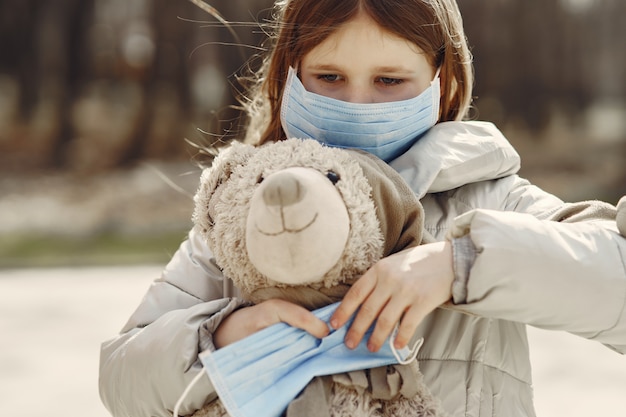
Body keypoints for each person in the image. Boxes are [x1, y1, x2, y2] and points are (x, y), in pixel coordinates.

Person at [99, 1, 626, 416]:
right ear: (290, 77)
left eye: (389, 81)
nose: (357, 105)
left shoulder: (488, 197)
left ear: (441, 84)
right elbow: (120, 376)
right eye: (329, 78)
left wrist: (459, 263)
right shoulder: (251, 210)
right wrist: (219, 336)